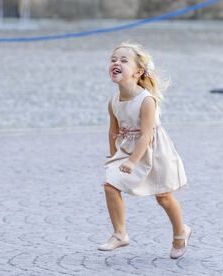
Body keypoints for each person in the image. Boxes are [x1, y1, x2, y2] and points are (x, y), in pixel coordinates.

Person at [98, 42, 191, 259]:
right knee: (110, 186)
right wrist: (114, 156)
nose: (116, 63)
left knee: (164, 197)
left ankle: (181, 232)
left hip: (155, 152)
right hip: (129, 149)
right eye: (113, 59)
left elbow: (147, 136)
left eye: (123, 60)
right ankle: (120, 234)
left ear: (138, 71)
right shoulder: (113, 101)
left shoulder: (146, 100)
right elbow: (113, 131)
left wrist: (132, 162)